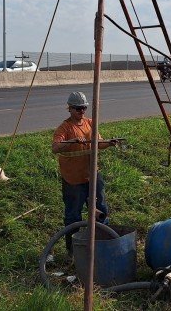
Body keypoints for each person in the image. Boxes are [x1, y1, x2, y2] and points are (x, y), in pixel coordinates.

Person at [52, 91, 117, 254]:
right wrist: (71, 141)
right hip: (73, 179)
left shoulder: (90, 123)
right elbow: (55, 147)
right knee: (73, 215)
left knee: (100, 210)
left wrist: (108, 143)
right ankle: (74, 251)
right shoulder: (65, 128)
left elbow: (99, 143)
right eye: (78, 109)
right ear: (70, 109)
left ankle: (103, 245)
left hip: (92, 175)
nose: (82, 112)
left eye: (84, 108)